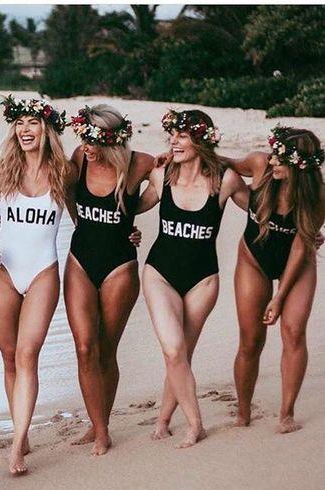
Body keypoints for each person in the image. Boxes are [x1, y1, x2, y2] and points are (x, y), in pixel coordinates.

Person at [138, 109, 248, 447]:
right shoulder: (161, 176)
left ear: (201, 140)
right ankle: (195, 423)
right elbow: (128, 207)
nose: (174, 141)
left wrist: (307, 226)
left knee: (180, 355)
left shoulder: (225, 180)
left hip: (203, 280)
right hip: (160, 274)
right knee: (173, 350)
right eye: (172, 134)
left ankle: (163, 420)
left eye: (182, 135)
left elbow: (263, 210)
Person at [0, 96, 70, 474]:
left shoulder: (64, 172)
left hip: (42, 272)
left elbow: (91, 216)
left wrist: (126, 234)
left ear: (46, 128)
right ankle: (22, 427)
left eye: (32, 122)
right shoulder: (1, 171)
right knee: (8, 355)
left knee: (26, 354)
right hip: (2, 271)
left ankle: (17, 445)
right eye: (19, 123)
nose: (25, 129)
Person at [65, 105, 153, 455]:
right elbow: (65, 192)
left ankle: (100, 422)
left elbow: (177, 178)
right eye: (83, 138)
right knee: (84, 347)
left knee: (105, 349)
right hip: (80, 261)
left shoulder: (138, 164)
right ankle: (99, 429)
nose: (86, 146)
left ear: (111, 140)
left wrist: (134, 212)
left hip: (120, 266)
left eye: (92, 140)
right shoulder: (79, 158)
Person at [224, 126, 324, 432]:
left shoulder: (318, 194)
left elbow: (300, 246)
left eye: (281, 158)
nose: (273, 161)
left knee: (293, 332)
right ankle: (243, 412)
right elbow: (225, 163)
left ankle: (286, 414)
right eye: (274, 153)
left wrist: (279, 298)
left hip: (298, 262)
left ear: (299, 165)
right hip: (254, 259)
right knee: (251, 339)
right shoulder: (260, 165)